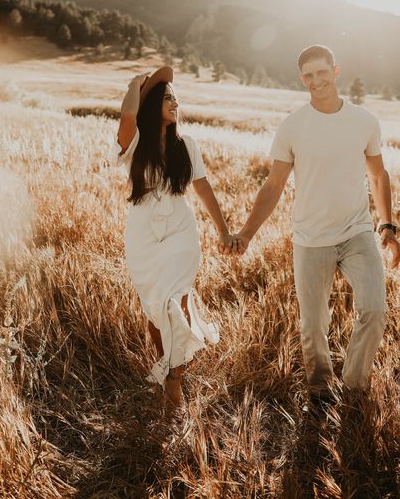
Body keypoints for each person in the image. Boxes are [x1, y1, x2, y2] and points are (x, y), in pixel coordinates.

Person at [225, 45, 399, 404]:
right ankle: (320, 390)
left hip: (357, 232)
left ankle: (354, 388)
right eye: (309, 75)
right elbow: (273, 186)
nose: (317, 80)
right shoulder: (293, 126)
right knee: (314, 325)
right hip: (311, 238)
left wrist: (388, 226)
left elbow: (379, 176)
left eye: (323, 72)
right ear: (302, 79)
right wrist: (245, 233)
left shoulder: (363, 121)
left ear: (336, 71)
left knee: (374, 309)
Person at [114, 66, 236, 407]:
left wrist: (223, 230)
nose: (175, 104)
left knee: (176, 304)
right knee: (154, 311)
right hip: (143, 232)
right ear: (152, 105)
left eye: (176, 99)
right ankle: (168, 362)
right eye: (168, 98)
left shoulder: (188, 145)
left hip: (181, 231)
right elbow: (126, 115)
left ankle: (174, 381)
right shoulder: (137, 143)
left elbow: (203, 188)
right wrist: (135, 85)